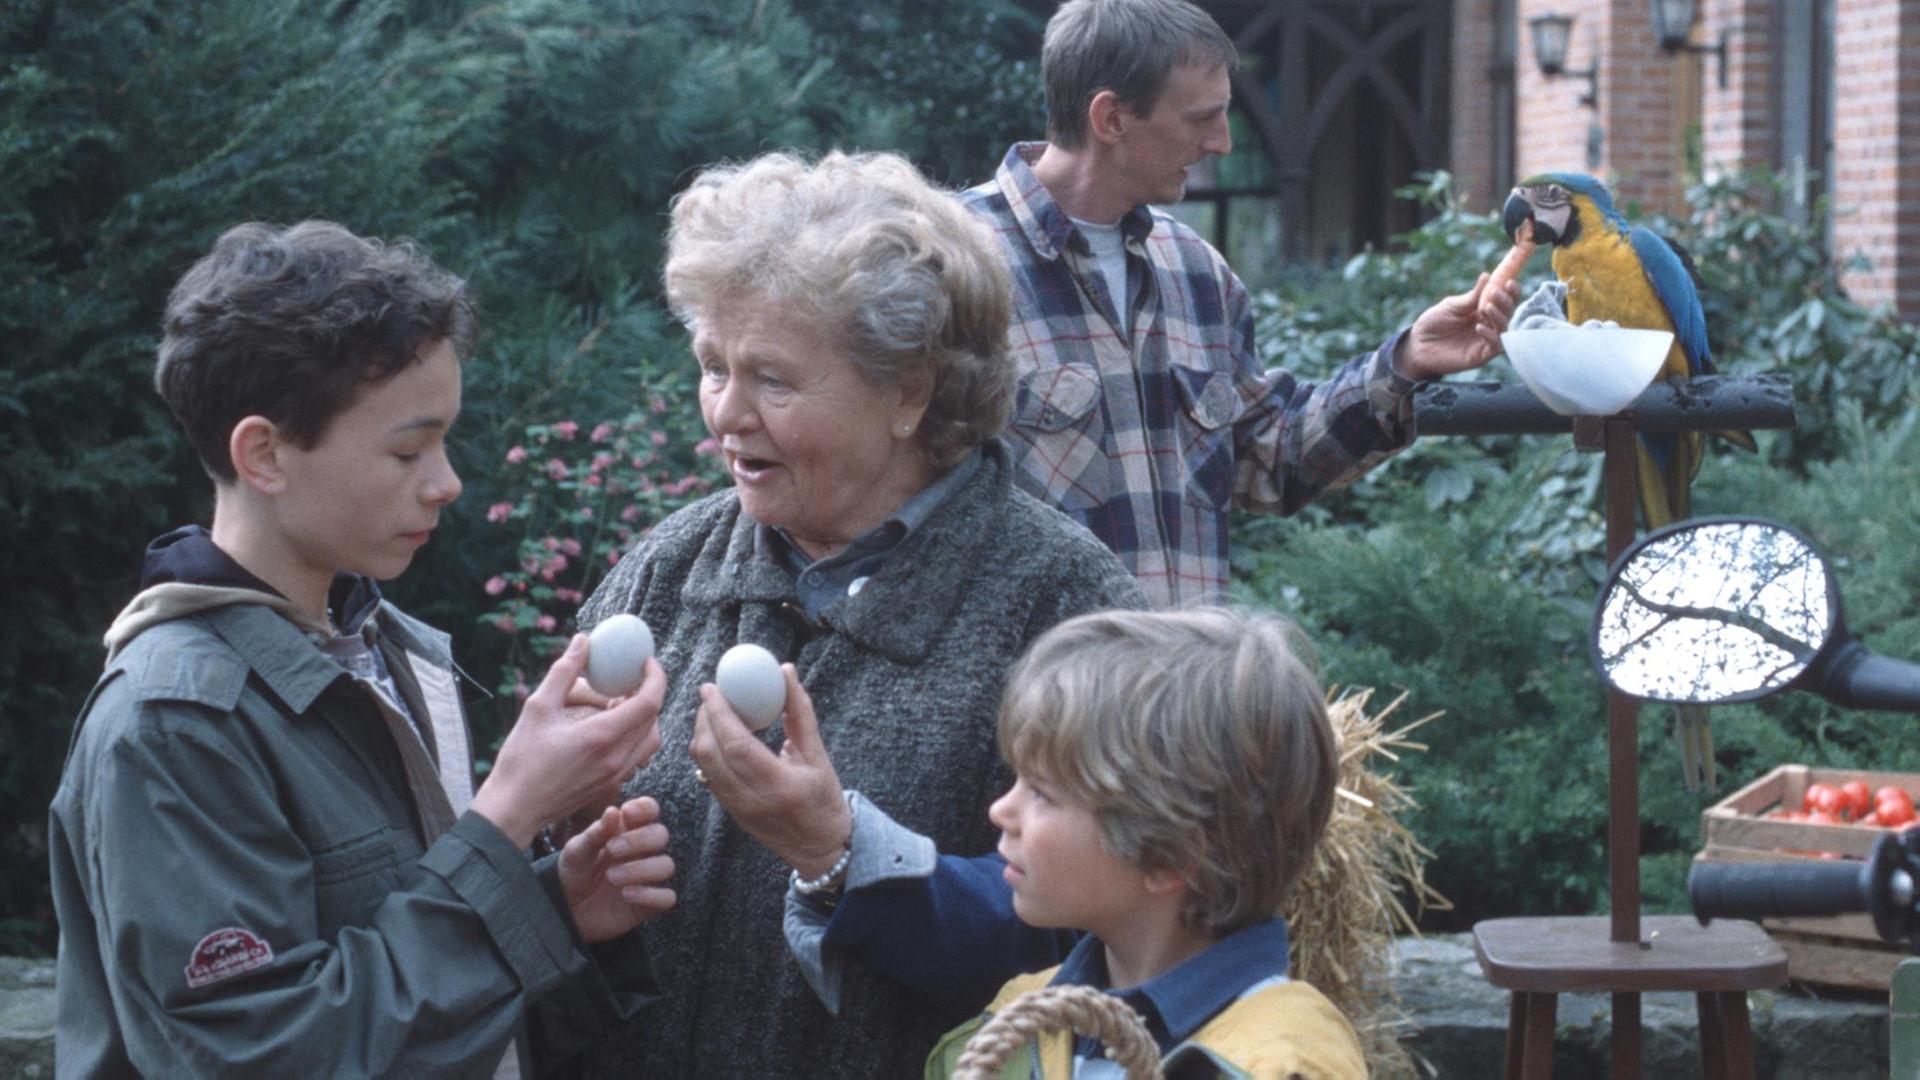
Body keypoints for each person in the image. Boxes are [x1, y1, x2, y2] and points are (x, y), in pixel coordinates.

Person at [48, 220, 676, 1077]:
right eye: (408, 449)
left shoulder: (386, 654)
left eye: (445, 442)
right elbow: (262, 1060)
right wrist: (506, 818)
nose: (446, 482)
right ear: (264, 454)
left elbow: (414, 1002)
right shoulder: (173, 726)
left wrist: (551, 909)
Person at [571, 150, 1145, 1079]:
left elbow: (1107, 933)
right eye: (712, 367)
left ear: (910, 392)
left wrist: (840, 854)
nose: (726, 414)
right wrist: (563, 839)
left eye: (772, 379)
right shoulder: (667, 571)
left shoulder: (1064, 609)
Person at [973, 0, 1518, 608]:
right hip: (1037, 672)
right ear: (1111, 118)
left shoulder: (1195, 270)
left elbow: (1269, 458)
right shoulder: (951, 265)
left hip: (1186, 666)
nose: (1223, 142)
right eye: (1203, 118)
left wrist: (1409, 361)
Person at [922, 607, 1365, 1079]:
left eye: (1042, 793)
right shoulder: (1018, 1023)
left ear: (1167, 856)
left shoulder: (1280, 1063)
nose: (1001, 811)